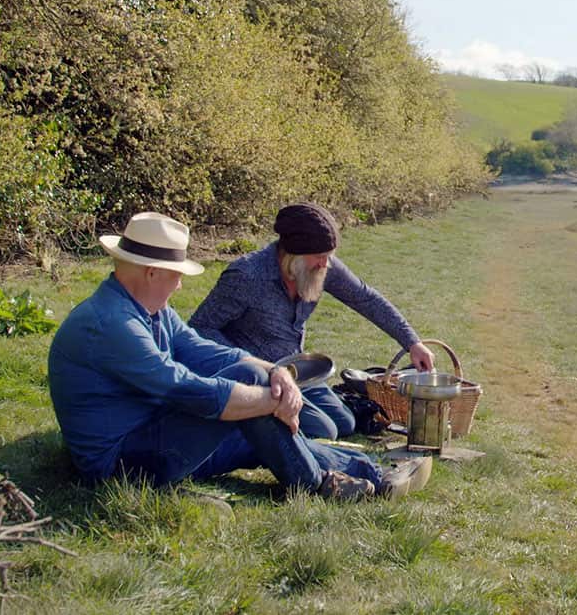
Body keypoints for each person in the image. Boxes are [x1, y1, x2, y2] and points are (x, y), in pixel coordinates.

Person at [47, 211, 431, 500]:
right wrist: (267, 399)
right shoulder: (113, 324)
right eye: (176, 274)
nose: (180, 284)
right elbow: (181, 387)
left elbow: (200, 349)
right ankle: (317, 485)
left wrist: (276, 373)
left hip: (154, 433)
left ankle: (374, 473)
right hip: (120, 463)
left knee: (260, 433)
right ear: (151, 273)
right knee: (248, 393)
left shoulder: (149, 311)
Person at [189, 202, 434, 440]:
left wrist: (412, 342)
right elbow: (200, 327)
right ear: (291, 253)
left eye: (329, 256)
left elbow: (365, 298)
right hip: (260, 381)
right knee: (323, 430)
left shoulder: (321, 265)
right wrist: (249, 363)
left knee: (345, 423)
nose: (326, 264)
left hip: (298, 372)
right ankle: (248, 424)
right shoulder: (246, 276)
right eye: (319, 256)